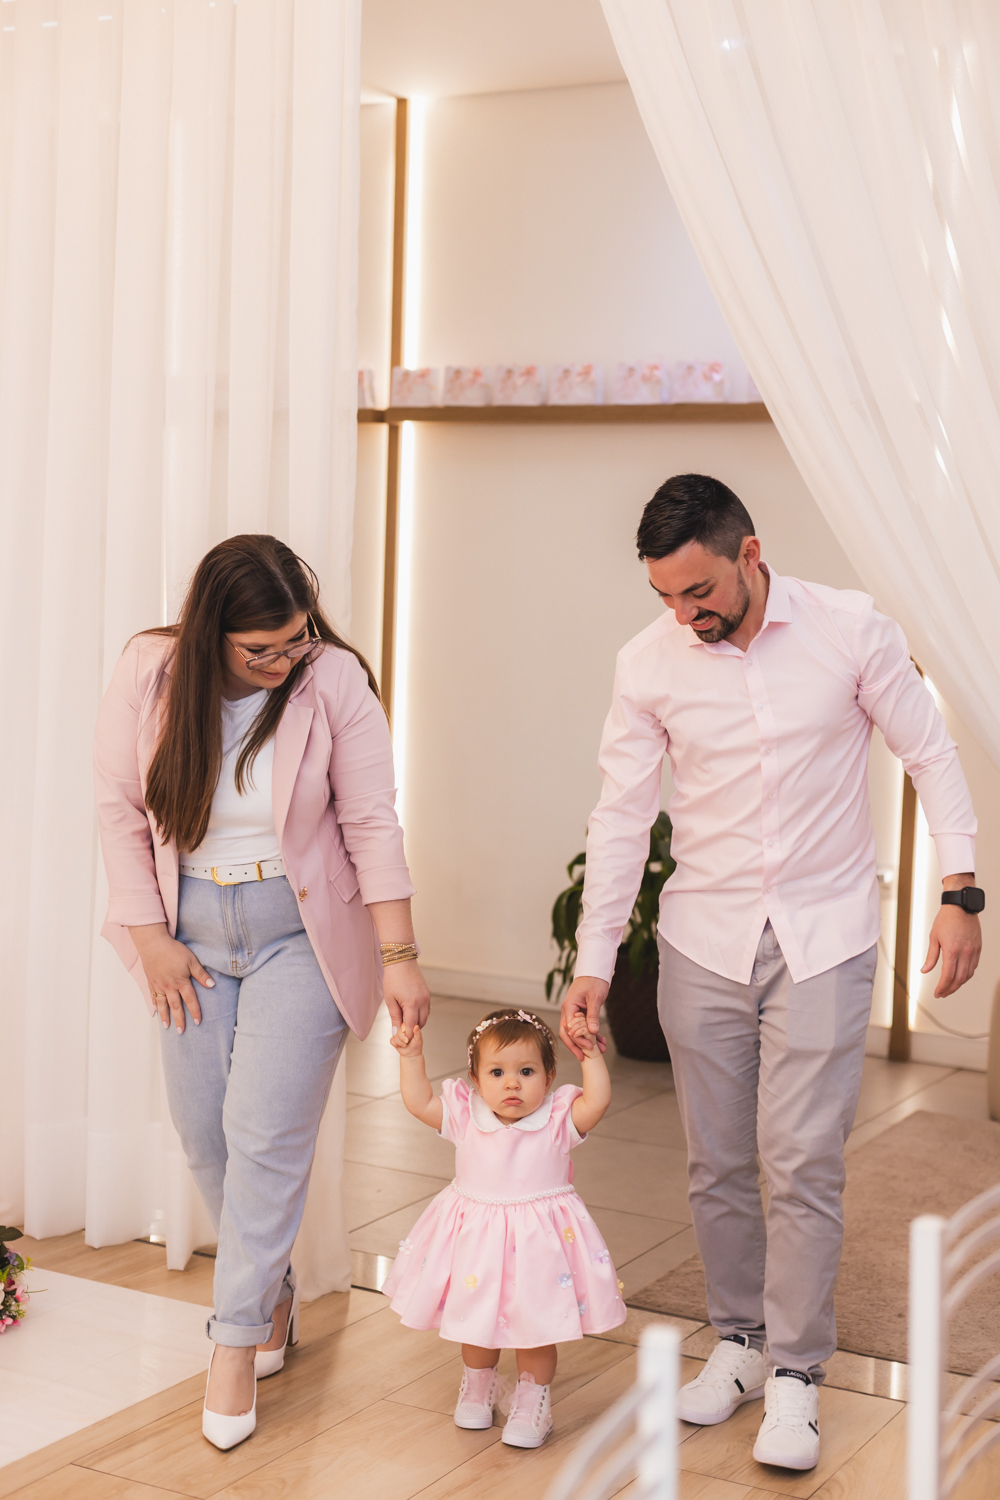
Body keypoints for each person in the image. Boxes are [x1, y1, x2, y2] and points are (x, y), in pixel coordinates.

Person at [562, 474, 982, 1472]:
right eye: (666, 596)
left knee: (799, 1158)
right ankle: (740, 1342)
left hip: (824, 937)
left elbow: (929, 752)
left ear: (748, 554)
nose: (684, 613)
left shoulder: (850, 630)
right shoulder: (648, 663)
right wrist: (594, 958)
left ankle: (796, 1372)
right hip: (701, 938)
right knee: (715, 1162)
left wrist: (960, 891)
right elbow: (621, 816)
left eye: (698, 589)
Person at [94, 534, 430, 1452]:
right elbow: (120, 809)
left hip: (300, 934)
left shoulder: (333, 681)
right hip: (189, 934)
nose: (284, 663)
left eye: (295, 640)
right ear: (212, 632)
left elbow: (371, 820)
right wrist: (150, 939)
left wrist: (399, 955)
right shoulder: (150, 670)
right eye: (260, 650)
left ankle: (235, 1341)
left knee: (266, 1136)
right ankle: (271, 1291)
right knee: (205, 1130)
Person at [382, 1008, 626, 1448]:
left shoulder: (557, 1121)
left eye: (526, 1072)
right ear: (475, 1080)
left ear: (549, 1078)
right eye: (497, 1072)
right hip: (478, 1245)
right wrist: (411, 1057)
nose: (512, 1083)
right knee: (475, 1321)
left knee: (536, 1326)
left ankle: (533, 1400)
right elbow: (419, 1103)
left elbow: (597, 1103)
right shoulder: (465, 1115)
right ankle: (480, 1385)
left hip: (539, 1250)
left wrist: (591, 1057)